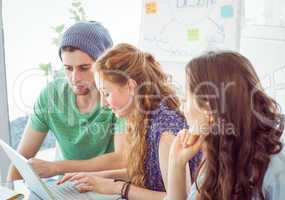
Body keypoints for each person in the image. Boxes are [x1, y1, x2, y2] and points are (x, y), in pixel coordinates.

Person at [59, 43, 202, 199]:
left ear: (130, 86)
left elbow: (180, 197)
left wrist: (117, 187)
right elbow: (146, 172)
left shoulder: (165, 132)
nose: (103, 103)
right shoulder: (145, 116)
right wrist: (94, 178)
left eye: (106, 93)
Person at [167, 51, 285, 200]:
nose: (181, 108)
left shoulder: (278, 172)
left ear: (210, 109)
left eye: (186, 99)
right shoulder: (220, 154)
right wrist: (176, 163)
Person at [8, 21, 126, 181]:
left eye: (84, 68)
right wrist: (11, 192)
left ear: (104, 66)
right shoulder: (51, 96)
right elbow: (22, 159)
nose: (75, 78)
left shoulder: (117, 98)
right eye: (68, 68)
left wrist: (56, 167)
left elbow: (122, 159)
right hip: (65, 188)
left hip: (108, 188)